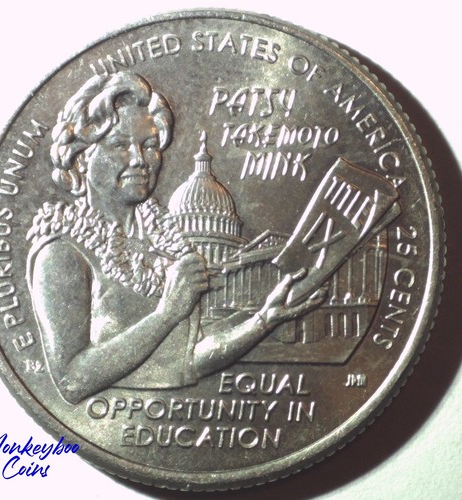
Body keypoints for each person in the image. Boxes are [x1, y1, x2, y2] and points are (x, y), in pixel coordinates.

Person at [27, 72, 326, 405]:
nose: (140, 160)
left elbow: (185, 362)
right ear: (81, 158)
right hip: (110, 421)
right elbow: (70, 382)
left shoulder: (163, 248)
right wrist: (167, 313)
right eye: (120, 145)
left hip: (174, 423)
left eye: (149, 146)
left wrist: (263, 320)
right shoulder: (61, 254)